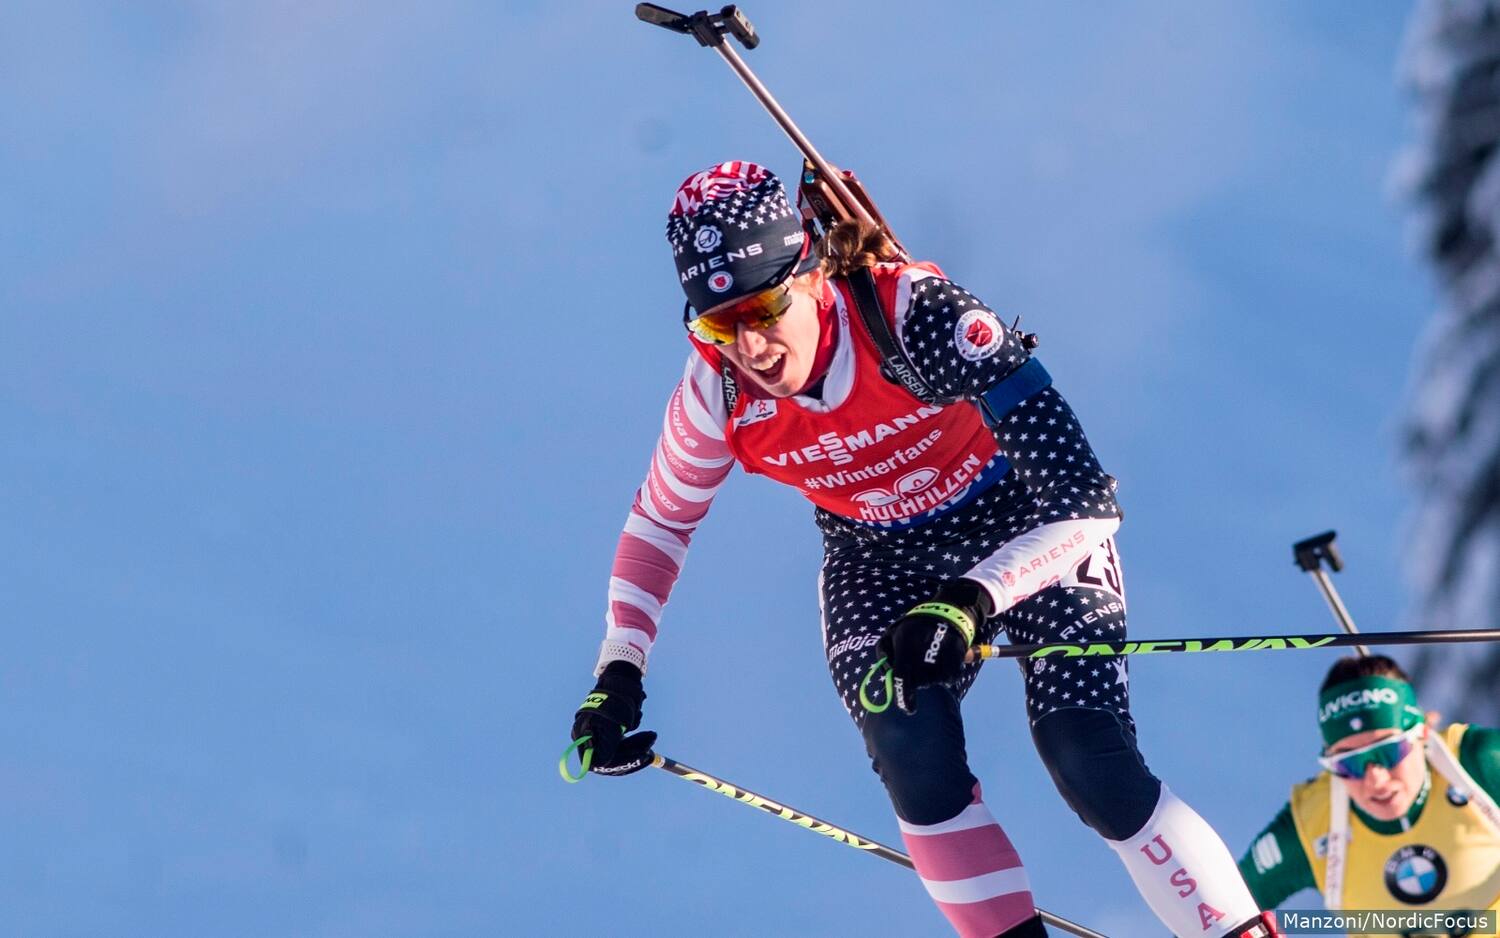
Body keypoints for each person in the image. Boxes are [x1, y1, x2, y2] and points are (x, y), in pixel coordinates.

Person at [569, 160, 1276, 937]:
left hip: (1024, 521)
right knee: (910, 748)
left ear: (810, 272)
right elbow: (660, 524)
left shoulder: (915, 317)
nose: (749, 345)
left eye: (763, 308)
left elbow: (1085, 503)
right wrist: (619, 672)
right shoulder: (716, 393)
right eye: (717, 324)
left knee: (1087, 755)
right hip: (881, 561)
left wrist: (971, 601)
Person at [1238, 655, 1500, 933]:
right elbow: (1224, 906)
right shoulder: (1312, 824)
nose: (1375, 779)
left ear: (1423, 732)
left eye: (1389, 752)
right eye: (1349, 764)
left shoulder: (1478, 761)